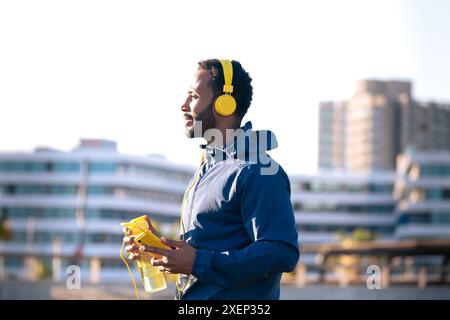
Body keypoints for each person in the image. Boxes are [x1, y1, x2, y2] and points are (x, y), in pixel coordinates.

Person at [124, 59, 299, 300]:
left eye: (193, 96)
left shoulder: (259, 171)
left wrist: (199, 262)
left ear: (224, 104)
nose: (183, 105)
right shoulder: (208, 167)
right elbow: (208, 253)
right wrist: (161, 251)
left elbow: (281, 252)